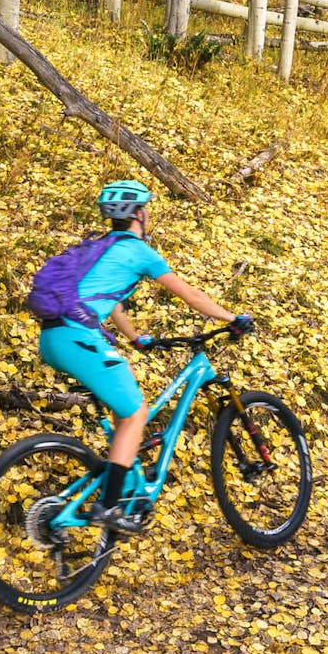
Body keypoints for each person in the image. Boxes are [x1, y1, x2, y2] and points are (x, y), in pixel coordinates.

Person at [37, 178, 253, 534]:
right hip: (78, 337)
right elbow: (192, 296)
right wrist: (232, 318)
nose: (147, 214)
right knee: (137, 413)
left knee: (124, 407)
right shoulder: (139, 252)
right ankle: (108, 506)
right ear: (138, 214)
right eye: (146, 208)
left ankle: (120, 479)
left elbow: (113, 304)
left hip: (53, 338)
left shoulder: (102, 248)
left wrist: (136, 338)